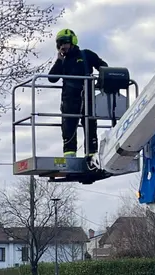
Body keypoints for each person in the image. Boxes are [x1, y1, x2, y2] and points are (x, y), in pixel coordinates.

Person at [47, 28, 108, 170]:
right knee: (68, 128)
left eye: (65, 43)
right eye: (59, 44)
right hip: (69, 100)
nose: (62, 46)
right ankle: (70, 158)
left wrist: (102, 81)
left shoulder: (87, 55)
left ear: (72, 42)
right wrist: (59, 61)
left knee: (90, 127)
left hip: (88, 98)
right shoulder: (63, 61)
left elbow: (104, 67)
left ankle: (91, 156)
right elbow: (52, 78)